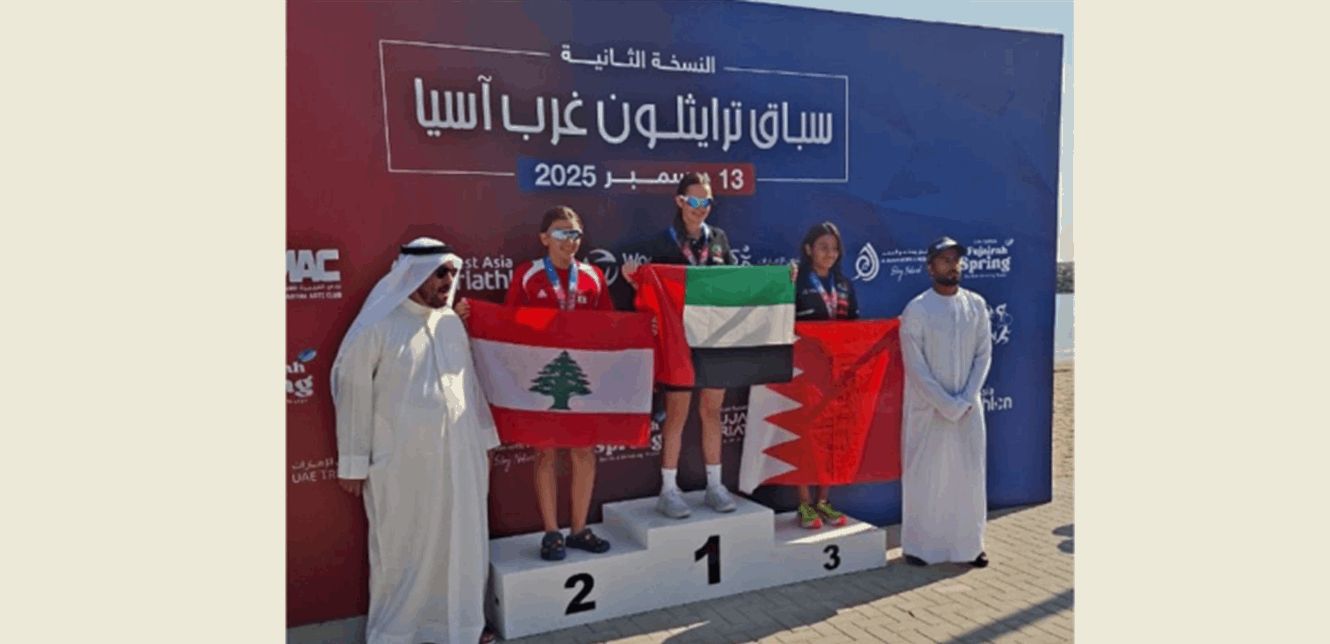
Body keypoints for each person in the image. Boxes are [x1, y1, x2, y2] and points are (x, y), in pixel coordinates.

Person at [331, 238, 501, 644]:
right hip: (403, 464)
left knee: (462, 544)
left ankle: (462, 628)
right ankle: (398, 634)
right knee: (405, 551)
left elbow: (469, 385)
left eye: (452, 272)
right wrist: (353, 463)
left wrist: (484, 441)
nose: (448, 280)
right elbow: (352, 393)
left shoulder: (450, 323)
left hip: (461, 460)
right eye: (440, 272)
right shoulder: (377, 326)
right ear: (412, 274)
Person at [623, 172, 794, 519]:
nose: (700, 208)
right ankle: (668, 490)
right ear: (680, 201)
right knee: (677, 415)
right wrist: (634, 281)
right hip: (679, 341)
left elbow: (735, 285)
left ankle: (715, 486)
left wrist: (780, 280)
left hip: (716, 341)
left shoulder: (718, 238)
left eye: (707, 202)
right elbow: (654, 294)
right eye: (695, 201)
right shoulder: (663, 242)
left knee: (712, 411)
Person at [501, 206, 615, 561]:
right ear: (544, 238)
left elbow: (610, 326)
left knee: (584, 452)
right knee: (545, 452)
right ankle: (552, 532)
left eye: (575, 233)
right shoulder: (527, 275)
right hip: (541, 378)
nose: (570, 240)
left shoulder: (593, 276)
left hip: (583, 378)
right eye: (562, 233)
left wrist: (646, 329)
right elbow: (506, 325)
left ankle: (579, 529)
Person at [899, 236, 993, 568]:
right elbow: (916, 367)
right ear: (930, 267)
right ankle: (920, 548)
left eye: (956, 260)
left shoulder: (976, 305)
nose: (952, 266)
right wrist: (945, 403)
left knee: (968, 477)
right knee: (926, 477)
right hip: (928, 411)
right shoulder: (917, 309)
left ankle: (970, 547)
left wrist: (965, 398)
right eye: (945, 260)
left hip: (967, 409)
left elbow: (983, 355)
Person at [790, 221, 860, 529]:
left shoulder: (844, 285)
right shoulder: (796, 281)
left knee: (831, 439)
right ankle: (804, 503)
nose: (829, 254)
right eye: (823, 247)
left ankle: (823, 501)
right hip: (803, 372)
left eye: (834, 248)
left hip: (835, 373)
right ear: (809, 249)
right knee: (804, 438)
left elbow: (855, 328)